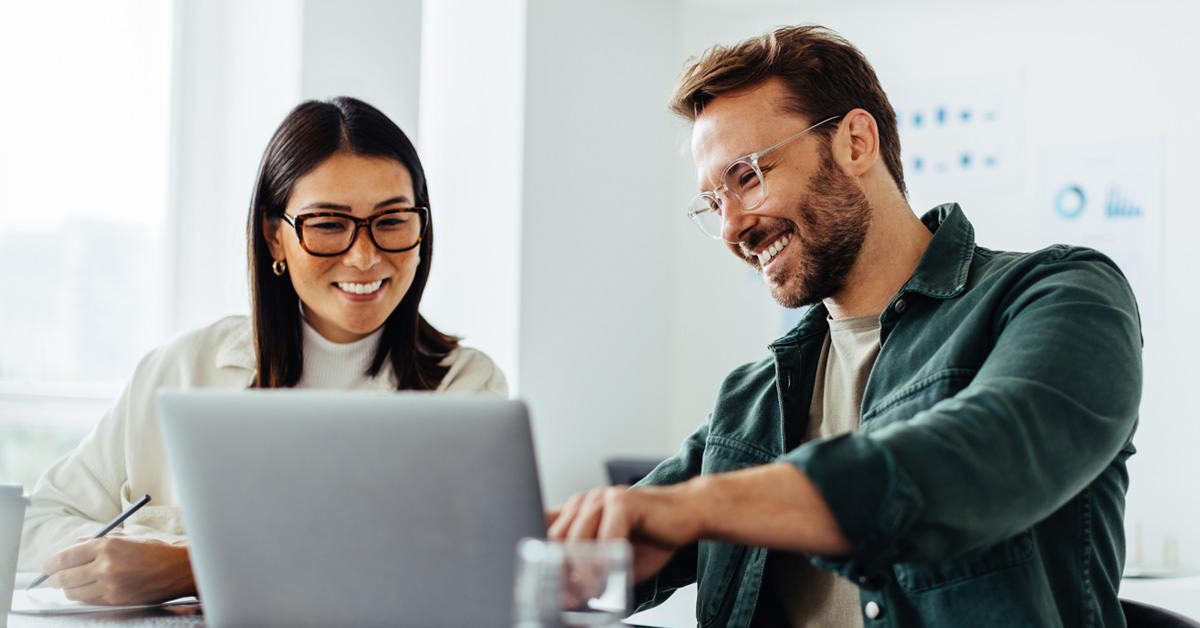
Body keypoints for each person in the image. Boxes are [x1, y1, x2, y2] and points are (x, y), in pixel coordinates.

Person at [548, 25, 1141, 627]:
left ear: (856, 143)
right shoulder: (750, 401)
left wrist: (701, 505)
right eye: (715, 203)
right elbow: (624, 538)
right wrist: (549, 550)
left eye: (747, 177)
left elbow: (981, 455)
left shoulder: (1060, 294)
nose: (731, 228)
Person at [19, 96, 507, 605]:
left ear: (421, 228)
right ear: (275, 237)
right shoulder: (182, 369)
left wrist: (192, 567)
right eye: (328, 224)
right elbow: (37, 527)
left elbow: (458, 564)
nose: (364, 256)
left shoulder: (467, 388)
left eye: (391, 220)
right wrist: (126, 559)